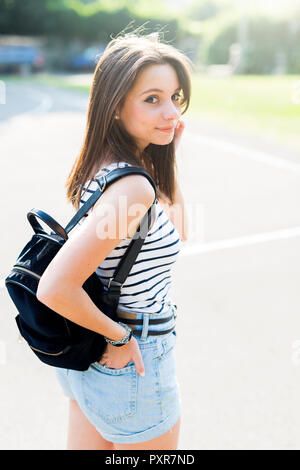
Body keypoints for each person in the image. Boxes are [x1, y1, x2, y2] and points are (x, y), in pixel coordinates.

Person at [36, 29, 193, 450]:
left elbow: (176, 234)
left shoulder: (107, 168)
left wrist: (168, 154)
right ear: (116, 105)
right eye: (152, 98)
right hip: (130, 356)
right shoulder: (133, 188)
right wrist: (120, 338)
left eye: (175, 98)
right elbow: (54, 286)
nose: (171, 112)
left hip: (88, 357)